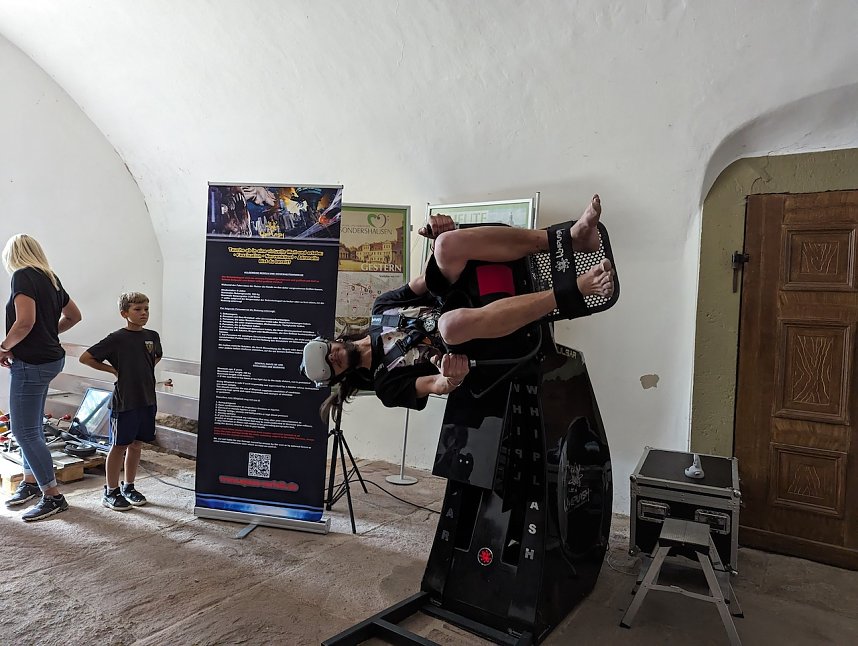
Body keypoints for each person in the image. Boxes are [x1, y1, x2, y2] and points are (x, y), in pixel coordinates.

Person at [301, 195, 615, 417]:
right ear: (338, 378)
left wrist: (437, 238)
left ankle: (571, 239)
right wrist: (451, 378)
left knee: (447, 245)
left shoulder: (381, 308)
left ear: (330, 341)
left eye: (325, 351)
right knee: (448, 326)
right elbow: (434, 385)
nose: (334, 356)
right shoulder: (387, 385)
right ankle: (574, 288)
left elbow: (427, 280)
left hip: (460, 295)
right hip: (475, 341)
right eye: (331, 366)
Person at [1, 234, 82, 521]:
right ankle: (31, 482)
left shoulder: (23, 276)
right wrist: (49, 335)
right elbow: (74, 316)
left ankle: (53, 496)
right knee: (31, 426)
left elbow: (24, 322)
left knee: (24, 431)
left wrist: (3, 347)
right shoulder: (51, 278)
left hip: (32, 363)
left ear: (12, 255)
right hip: (51, 359)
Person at [79, 292, 162, 511]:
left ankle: (129, 486)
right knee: (119, 446)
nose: (143, 313)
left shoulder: (152, 336)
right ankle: (111, 491)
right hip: (125, 401)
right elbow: (86, 358)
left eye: (146, 309)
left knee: (136, 445)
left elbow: (156, 356)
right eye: (137, 309)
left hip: (147, 399)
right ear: (125, 313)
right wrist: (114, 370)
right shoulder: (116, 338)